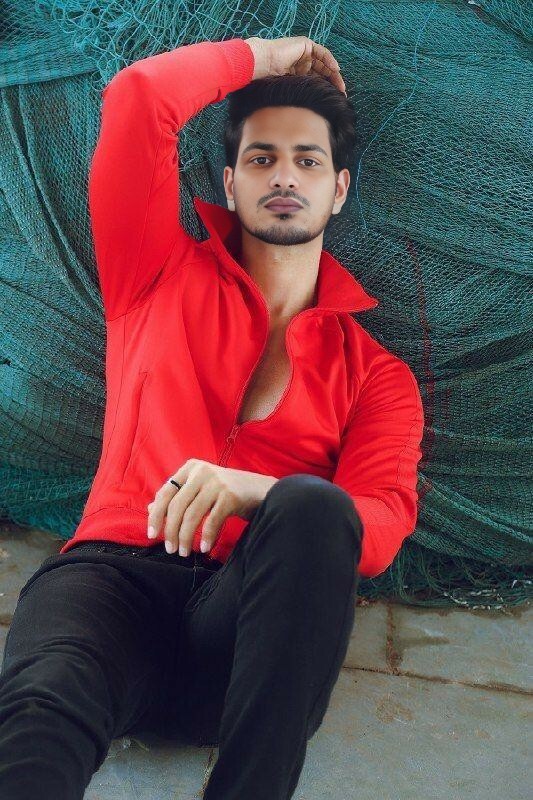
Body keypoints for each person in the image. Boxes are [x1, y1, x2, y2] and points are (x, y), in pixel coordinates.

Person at [0, 35, 424, 799]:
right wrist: (271, 53)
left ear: (339, 190)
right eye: (262, 158)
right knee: (42, 708)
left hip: (243, 633)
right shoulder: (153, 270)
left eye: (307, 160)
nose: (284, 175)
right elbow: (139, 97)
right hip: (110, 585)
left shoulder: (377, 376)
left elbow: (380, 525)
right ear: (230, 183)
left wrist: (258, 493)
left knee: (314, 507)